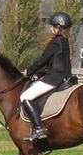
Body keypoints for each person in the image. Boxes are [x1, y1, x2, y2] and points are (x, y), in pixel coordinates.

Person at [20, 11, 74, 142]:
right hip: (63, 75)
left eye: (53, 26)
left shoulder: (56, 42)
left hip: (54, 78)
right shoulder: (65, 41)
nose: (51, 28)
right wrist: (38, 74)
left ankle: (38, 128)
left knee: (25, 96)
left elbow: (43, 60)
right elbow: (52, 63)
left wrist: (28, 71)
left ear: (58, 28)